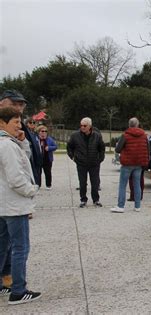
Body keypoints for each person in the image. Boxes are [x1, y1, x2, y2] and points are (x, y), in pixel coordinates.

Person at [0, 107, 41, 305]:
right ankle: (18, 290)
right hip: (14, 205)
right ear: (2, 123)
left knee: (3, 245)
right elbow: (17, 178)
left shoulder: (9, 143)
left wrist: (23, 141)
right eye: (15, 122)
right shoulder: (6, 145)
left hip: (4, 204)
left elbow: (25, 159)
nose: (19, 125)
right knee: (20, 247)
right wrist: (31, 190)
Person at [0, 90, 42, 185]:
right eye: (14, 104)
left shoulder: (22, 128)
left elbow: (27, 156)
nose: (18, 108)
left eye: (21, 105)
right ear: (1, 105)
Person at [111, 117, 149, 213]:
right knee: (137, 184)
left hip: (127, 163)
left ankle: (120, 206)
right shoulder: (144, 135)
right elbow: (148, 149)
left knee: (123, 185)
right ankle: (137, 206)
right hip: (139, 163)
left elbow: (118, 149)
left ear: (129, 124)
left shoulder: (125, 135)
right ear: (137, 124)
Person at [67, 117, 105, 208]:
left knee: (95, 182)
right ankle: (83, 199)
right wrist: (73, 157)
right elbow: (69, 147)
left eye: (85, 125)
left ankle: (96, 200)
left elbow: (102, 148)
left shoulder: (97, 135)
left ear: (90, 126)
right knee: (82, 183)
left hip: (94, 163)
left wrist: (100, 159)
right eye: (81, 125)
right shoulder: (75, 135)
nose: (82, 127)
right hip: (81, 163)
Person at [36, 125, 57, 189]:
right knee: (38, 173)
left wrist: (49, 148)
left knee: (48, 172)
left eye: (45, 131)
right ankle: (38, 185)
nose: (44, 132)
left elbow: (55, 146)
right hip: (38, 159)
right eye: (42, 131)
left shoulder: (50, 139)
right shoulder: (36, 139)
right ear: (39, 132)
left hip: (47, 159)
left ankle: (48, 185)